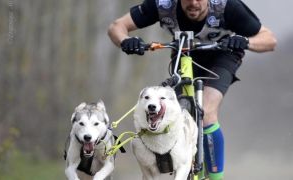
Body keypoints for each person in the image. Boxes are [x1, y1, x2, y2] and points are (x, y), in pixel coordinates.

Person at [108, 0, 277, 179]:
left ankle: (215, 177)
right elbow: (116, 27)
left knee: (206, 110)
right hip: (184, 52)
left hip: (222, 55)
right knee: (179, 112)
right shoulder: (163, 4)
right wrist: (126, 41)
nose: (194, 3)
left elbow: (269, 39)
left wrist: (245, 41)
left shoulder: (228, 6)